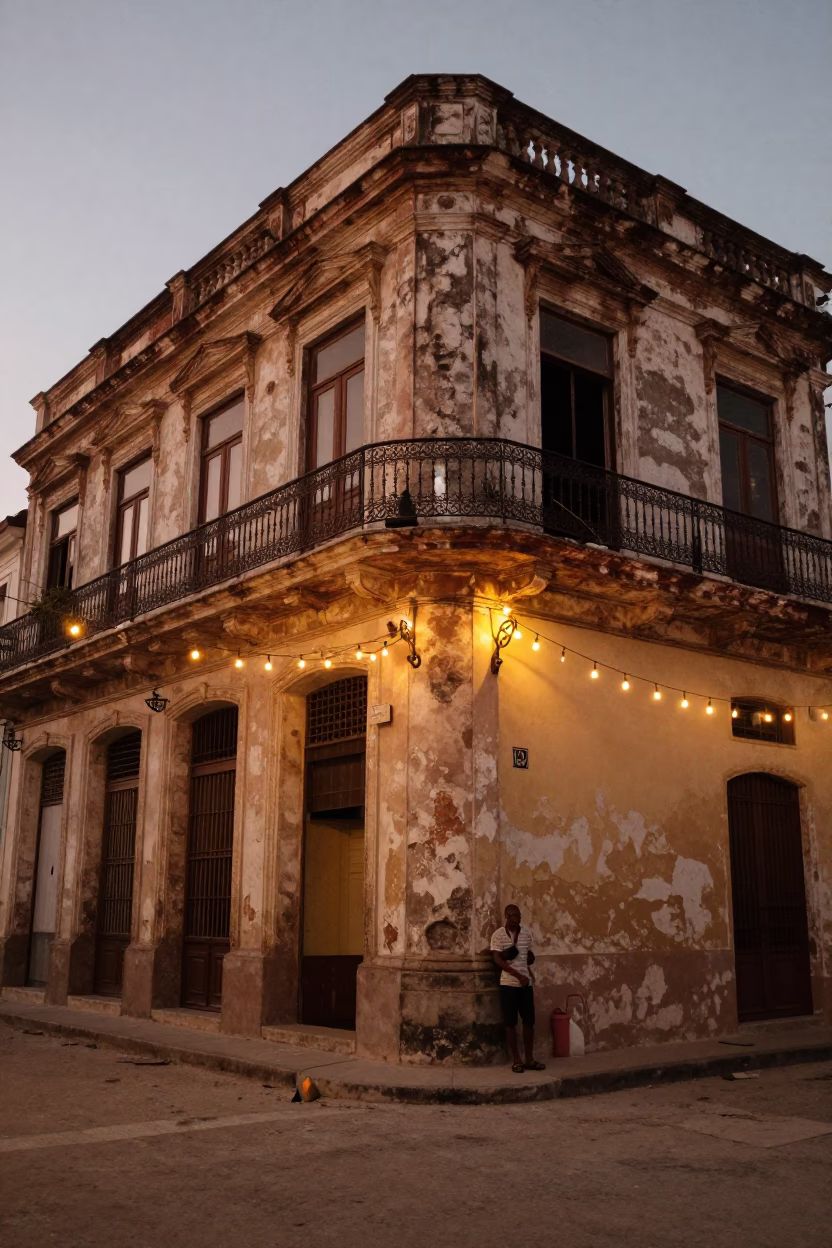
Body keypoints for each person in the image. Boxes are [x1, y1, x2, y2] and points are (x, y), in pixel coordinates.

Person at [490, 904, 546, 1073]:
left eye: (518, 916)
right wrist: (517, 974)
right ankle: (516, 1059)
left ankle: (529, 1058)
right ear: (507, 916)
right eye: (513, 916)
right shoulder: (498, 935)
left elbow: (528, 956)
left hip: (525, 984)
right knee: (510, 1023)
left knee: (529, 1022)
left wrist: (529, 962)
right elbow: (497, 960)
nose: (516, 919)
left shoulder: (526, 934)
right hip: (508, 984)